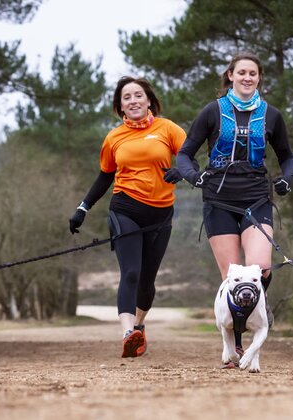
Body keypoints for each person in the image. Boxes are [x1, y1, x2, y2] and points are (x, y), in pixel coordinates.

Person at [68, 76, 187, 358]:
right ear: (120, 106)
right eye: (126, 97)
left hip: (160, 213)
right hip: (125, 208)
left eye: (138, 95)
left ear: (148, 101)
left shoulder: (167, 129)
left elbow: (188, 157)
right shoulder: (114, 137)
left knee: (147, 279)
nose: (133, 100)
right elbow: (105, 175)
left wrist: (181, 170)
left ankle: (139, 326)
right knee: (131, 272)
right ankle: (127, 332)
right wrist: (83, 207)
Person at [171, 52, 293, 299]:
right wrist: (193, 176)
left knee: (260, 268)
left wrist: (287, 179)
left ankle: (258, 309)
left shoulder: (272, 115)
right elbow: (185, 154)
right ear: (231, 76)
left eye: (253, 73)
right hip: (219, 201)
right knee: (233, 278)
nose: (247, 78)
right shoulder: (212, 111)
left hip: (257, 198)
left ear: (259, 78)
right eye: (242, 73)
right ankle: (236, 336)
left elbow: (287, 157)